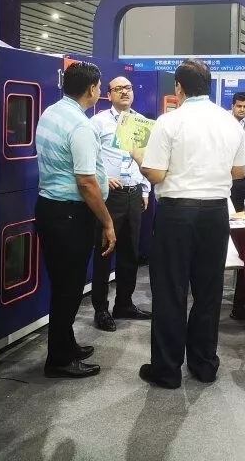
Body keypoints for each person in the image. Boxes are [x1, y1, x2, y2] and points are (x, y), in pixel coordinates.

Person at [133, 59, 245, 389]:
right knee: (209, 291)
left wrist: (140, 158)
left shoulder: (169, 121)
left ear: (179, 87)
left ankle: (167, 370)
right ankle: (204, 364)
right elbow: (239, 172)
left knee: (170, 291)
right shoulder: (230, 122)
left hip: (177, 213)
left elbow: (156, 174)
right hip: (216, 212)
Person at [34, 61, 116, 379]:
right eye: (100, 86)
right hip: (70, 215)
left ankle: (66, 345)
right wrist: (107, 222)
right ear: (92, 89)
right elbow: (87, 183)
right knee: (68, 289)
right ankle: (58, 360)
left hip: (51, 209)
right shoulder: (81, 126)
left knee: (63, 286)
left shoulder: (52, 112)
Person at [89, 76, 152, 331]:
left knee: (130, 253)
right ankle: (101, 309)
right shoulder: (98, 122)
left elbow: (145, 158)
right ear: (109, 94)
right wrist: (102, 178)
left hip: (134, 193)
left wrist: (145, 189)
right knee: (105, 252)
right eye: (118, 89)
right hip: (110, 195)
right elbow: (88, 156)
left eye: (128, 88)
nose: (124, 92)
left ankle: (124, 303)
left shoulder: (141, 122)